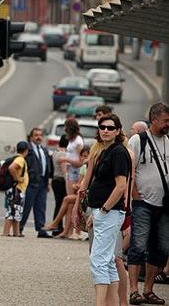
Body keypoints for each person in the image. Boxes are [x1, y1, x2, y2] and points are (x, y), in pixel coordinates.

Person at [79, 114, 131, 306]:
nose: (106, 131)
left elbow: (121, 186)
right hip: (103, 212)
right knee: (107, 261)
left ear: (118, 131)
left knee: (98, 260)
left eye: (110, 128)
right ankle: (111, 303)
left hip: (109, 212)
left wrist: (102, 210)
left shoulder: (118, 152)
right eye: (102, 127)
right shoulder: (105, 151)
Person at [126, 102, 169, 306]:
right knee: (138, 246)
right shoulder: (138, 140)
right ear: (154, 120)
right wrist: (135, 195)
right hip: (143, 203)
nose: (168, 124)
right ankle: (134, 291)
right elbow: (128, 170)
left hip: (165, 205)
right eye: (165, 121)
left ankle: (149, 290)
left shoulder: (168, 141)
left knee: (160, 249)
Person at [20, 127, 53, 238]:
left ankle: (41, 229)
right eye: (36, 135)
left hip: (43, 182)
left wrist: (48, 181)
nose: (39, 137)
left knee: (41, 207)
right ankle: (19, 227)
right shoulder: (28, 150)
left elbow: (47, 165)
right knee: (26, 205)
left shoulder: (44, 150)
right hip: (31, 181)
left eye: (40, 135)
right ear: (31, 137)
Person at [3, 141, 29, 237]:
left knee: (16, 210)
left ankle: (16, 232)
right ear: (26, 150)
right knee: (13, 210)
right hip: (17, 189)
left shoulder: (17, 158)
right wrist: (18, 178)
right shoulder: (20, 160)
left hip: (16, 189)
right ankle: (6, 232)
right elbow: (12, 168)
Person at [59, 117, 85, 195]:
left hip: (75, 170)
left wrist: (65, 159)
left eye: (65, 126)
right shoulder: (72, 140)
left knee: (71, 197)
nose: (64, 129)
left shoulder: (78, 141)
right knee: (69, 195)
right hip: (71, 169)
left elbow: (80, 161)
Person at [51, 135, 69, 235]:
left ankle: (57, 225)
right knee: (61, 204)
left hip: (55, 179)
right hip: (61, 181)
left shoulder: (55, 152)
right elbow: (64, 170)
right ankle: (58, 226)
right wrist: (68, 182)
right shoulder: (64, 154)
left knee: (58, 203)